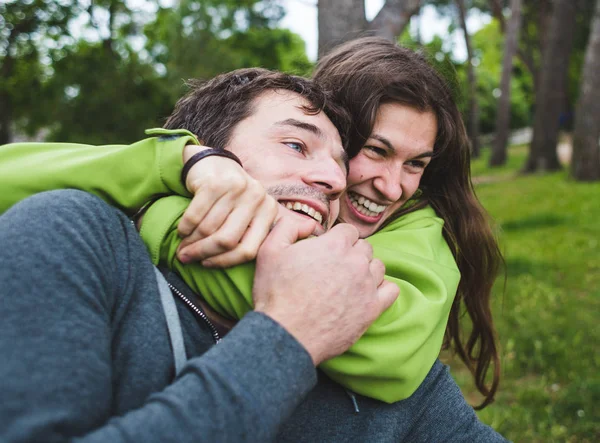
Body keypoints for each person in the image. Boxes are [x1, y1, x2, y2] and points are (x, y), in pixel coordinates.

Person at [1, 47, 507, 440]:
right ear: (207, 149)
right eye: (296, 144)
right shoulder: (82, 242)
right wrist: (288, 334)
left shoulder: (367, 299)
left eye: (337, 158)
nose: (334, 178)